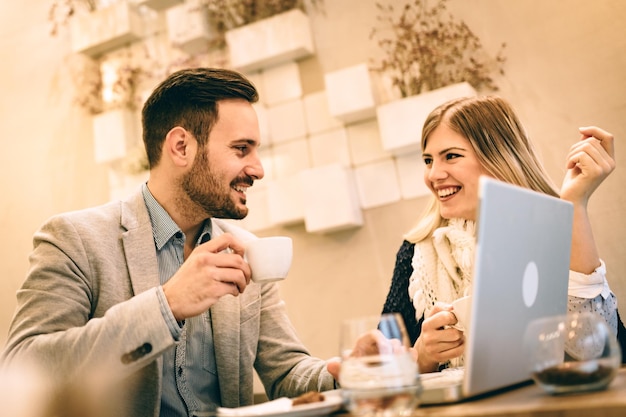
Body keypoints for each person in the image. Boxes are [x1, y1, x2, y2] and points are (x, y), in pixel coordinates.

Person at [1, 68, 336, 417]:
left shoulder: (248, 251)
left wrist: (347, 373)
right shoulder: (75, 240)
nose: (258, 169)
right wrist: (167, 305)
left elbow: (287, 372)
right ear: (181, 147)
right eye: (241, 149)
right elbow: (26, 370)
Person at [380, 95, 625, 373]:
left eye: (451, 156)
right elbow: (377, 368)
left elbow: (601, 352)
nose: (434, 174)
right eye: (428, 160)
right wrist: (421, 355)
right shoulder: (416, 252)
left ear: (496, 156)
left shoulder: (553, 232)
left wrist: (573, 206)